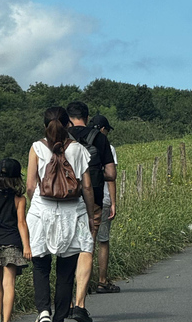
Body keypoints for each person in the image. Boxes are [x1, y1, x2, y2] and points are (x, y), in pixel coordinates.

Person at [26, 107, 98, 322]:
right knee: (65, 271)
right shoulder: (78, 149)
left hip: (41, 212)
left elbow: (30, 186)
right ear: (68, 124)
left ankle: (43, 312)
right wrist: (91, 215)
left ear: (44, 125)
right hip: (72, 213)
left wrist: (37, 203)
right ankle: (60, 317)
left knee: (41, 265)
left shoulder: (37, 148)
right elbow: (86, 187)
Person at [66, 101, 117, 322]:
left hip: (64, 200)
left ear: (69, 118)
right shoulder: (100, 138)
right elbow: (112, 173)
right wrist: (93, 175)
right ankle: (80, 304)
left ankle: (65, 303)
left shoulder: (61, 136)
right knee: (87, 247)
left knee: (66, 251)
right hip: (93, 199)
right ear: (86, 117)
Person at [0, 158, 32, 322]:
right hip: (11, 241)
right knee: (9, 282)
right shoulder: (20, 199)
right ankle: (6, 319)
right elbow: (21, 223)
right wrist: (27, 246)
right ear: (17, 178)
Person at [89, 115, 119, 294]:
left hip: (83, 199)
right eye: (107, 130)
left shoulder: (78, 143)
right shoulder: (107, 146)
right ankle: (102, 281)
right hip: (104, 199)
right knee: (103, 240)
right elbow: (111, 177)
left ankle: (84, 283)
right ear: (102, 129)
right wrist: (114, 202)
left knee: (85, 243)